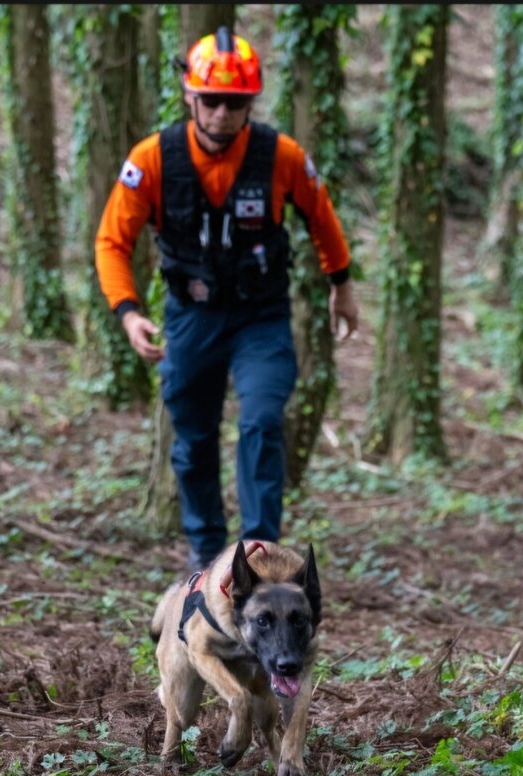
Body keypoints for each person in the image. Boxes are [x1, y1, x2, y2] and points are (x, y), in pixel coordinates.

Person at [95, 27, 360, 572]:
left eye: (235, 103)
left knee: (262, 420)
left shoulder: (280, 156)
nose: (221, 114)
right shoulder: (153, 158)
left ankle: (258, 554)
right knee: (192, 438)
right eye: (211, 101)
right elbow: (111, 242)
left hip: (260, 319)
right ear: (190, 97)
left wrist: (342, 286)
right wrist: (127, 312)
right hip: (190, 318)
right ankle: (205, 553)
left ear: (250, 103)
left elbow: (322, 218)